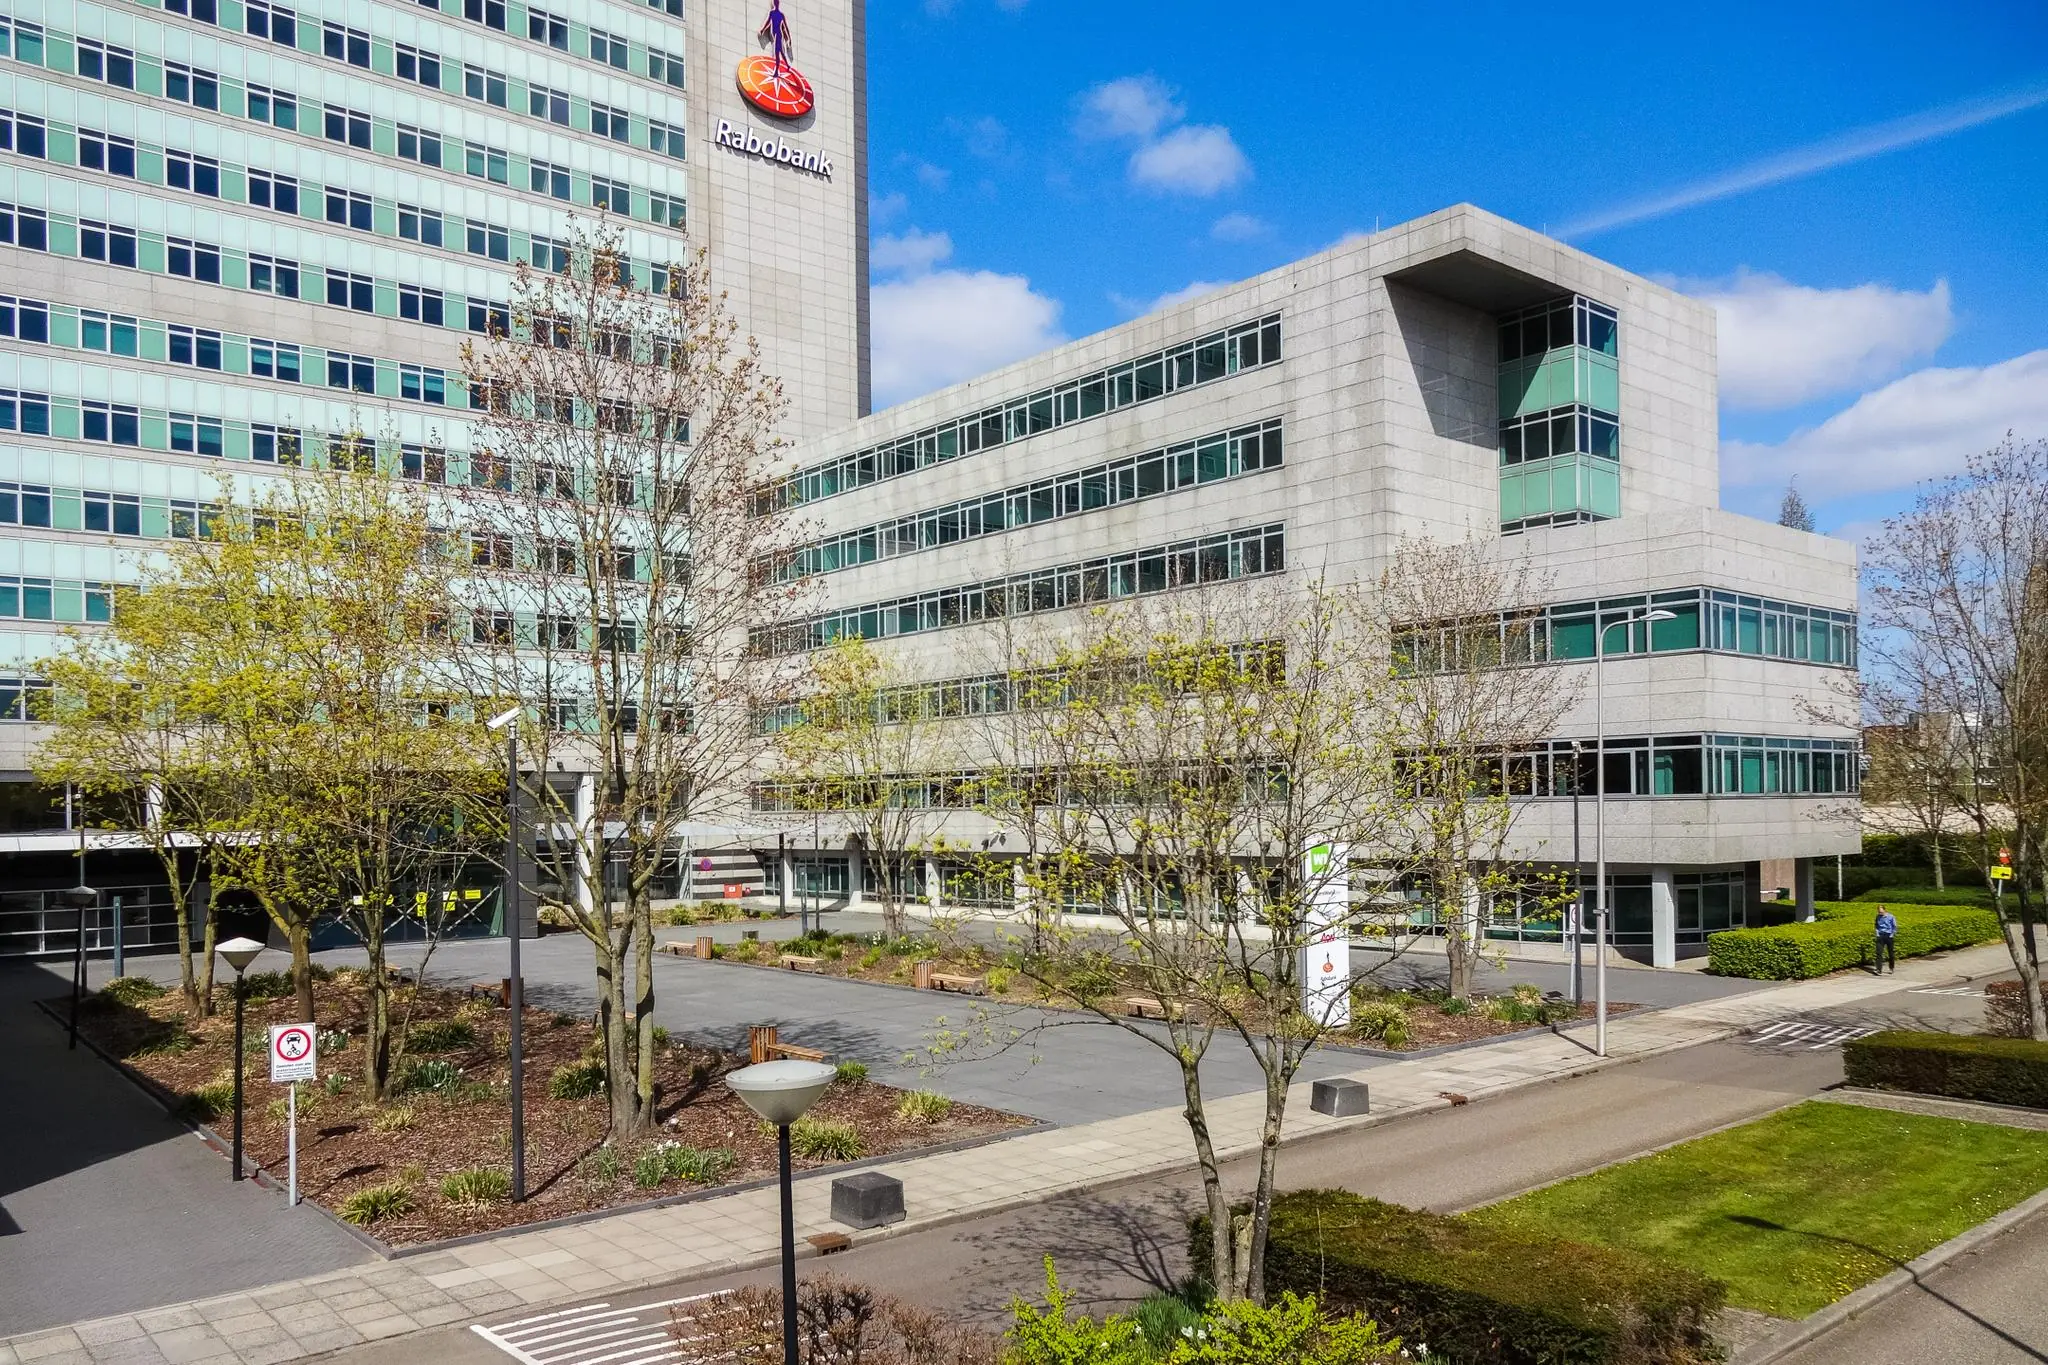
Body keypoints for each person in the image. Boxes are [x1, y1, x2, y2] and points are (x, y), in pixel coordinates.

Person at [760, 0, 793, 70]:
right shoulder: (772, 13)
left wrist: (789, 38)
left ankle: (778, 70)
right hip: (775, 35)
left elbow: (785, 27)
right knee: (780, 52)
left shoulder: (780, 14)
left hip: (778, 35)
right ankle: (787, 65)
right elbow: (768, 22)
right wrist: (763, 29)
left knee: (777, 52)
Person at [1873, 905, 1898, 974]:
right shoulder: (1878, 917)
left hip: (1889, 935)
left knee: (1891, 953)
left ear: (1884, 910)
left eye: (1881, 912)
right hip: (1880, 935)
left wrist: (1892, 934)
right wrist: (1877, 933)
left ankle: (1891, 967)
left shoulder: (1891, 916)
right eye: (1879, 912)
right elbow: (1876, 925)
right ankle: (1879, 969)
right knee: (1879, 953)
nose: (1880, 913)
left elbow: (1894, 926)